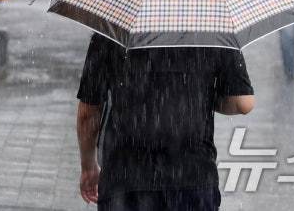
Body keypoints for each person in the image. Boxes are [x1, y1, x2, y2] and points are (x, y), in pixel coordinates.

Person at [76, 34, 255, 211]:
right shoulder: (214, 29)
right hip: (193, 178)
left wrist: (88, 167)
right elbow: (243, 103)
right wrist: (200, 98)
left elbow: (88, 114)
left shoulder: (113, 30)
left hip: (125, 178)